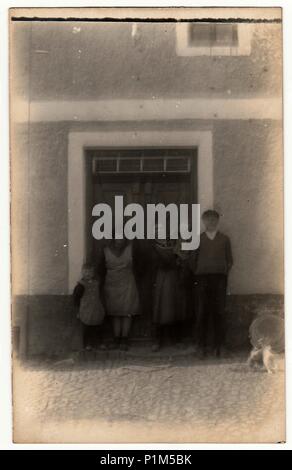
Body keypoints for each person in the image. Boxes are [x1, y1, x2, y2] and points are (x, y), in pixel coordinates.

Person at [189, 210, 233, 358]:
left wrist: (221, 270)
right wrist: (200, 271)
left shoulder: (224, 239)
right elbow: (192, 260)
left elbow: (229, 260)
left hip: (219, 280)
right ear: (203, 221)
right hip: (202, 280)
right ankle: (201, 347)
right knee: (202, 312)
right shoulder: (198, 239)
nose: (211, 222)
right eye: (208, 220)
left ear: (218, 221)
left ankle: (220, 346)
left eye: (214, 219)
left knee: (219, 312)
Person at [98, 238, 142, 351]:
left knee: (127, 312)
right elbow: (100, 269)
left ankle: (124, 339)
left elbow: (141, 264)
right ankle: (117, 339)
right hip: (112, 284)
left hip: (127, 283)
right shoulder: (106, 250)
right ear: (113, 238)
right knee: (115, 312)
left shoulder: (131, 249)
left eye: (122, 238)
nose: (119, 240)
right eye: (117, 238)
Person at [151, 225, 188, 351]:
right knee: (160, 309)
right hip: (160, 278)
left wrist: (178, 259)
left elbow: (183, 258)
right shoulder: (153, 246)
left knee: (175, 307)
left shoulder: (176, 242)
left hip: (174, 278)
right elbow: (152, 261)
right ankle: (157, 340)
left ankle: (177, 339)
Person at [73, 264, 106, 351]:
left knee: (98, 326)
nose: (88, 274)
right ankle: (87, 344)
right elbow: (76, 298)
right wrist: (78, 311)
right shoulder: (80, 286)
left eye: (90, 272)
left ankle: (100, 343)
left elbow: (101, 295)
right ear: (82, 272)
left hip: (96, 308)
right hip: (85, 309)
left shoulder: (97, 283)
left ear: (93, 273)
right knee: (87, 327)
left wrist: (102, 306)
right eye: (85, 272)